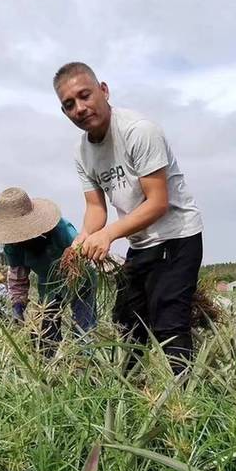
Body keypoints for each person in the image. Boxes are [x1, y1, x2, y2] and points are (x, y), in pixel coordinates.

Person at [53, 61, 204, 374]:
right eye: (69, 104)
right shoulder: (82, 152)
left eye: (85, 95)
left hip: (177, 236)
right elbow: (96, 209)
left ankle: (185, 405)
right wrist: (82, 239)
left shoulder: (138, 130)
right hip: (141, 241)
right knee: (126, 322)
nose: (80, 108)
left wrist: (108, 235)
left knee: (168, 326)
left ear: (104, 90)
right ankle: (134, 394)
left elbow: (158, 202)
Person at [0, 187, 96, 355]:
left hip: (79, 279)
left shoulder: (61, 230)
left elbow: (81, 253)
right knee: (46, 334)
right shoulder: (13, 247)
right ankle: (53, 368)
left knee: (83, 329)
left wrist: (74, 261)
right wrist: (18, 305)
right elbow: (18, 279)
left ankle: (87, 365)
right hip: (49, 286)